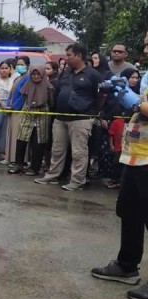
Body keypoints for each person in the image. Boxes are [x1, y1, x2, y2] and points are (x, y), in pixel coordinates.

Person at [90, 59, 148, 299]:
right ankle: (126, 265)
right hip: (137, 154)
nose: (146, 49)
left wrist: (133, 100)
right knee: (129, 210)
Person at [35, 43, 103, 191]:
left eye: (69, 55)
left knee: (79, 152)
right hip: (60, 118)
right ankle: (52, 175)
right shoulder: (66, 73)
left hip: (81, 119)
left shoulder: (93, 75)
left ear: (79, 56)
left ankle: (77, 180)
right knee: (57, 149)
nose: (66, 58)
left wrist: (94, 113)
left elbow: (100, 96)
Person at [9, 65, 51, 176]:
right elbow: (22, 98)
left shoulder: (48, 86)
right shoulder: (27, 84)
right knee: (21, 139)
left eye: (38, 74)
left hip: (42, 114)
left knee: (38, 140)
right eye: (33, 74)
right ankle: (19, 165)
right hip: (27, 112)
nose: (36, 76)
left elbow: (52, 101)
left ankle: (35, 167)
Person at [4, 56, 30, 165]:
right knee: (12, 133)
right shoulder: (17, 77)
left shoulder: (27, 78)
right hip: (12, 109)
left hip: (19, 110)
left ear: (27, 66)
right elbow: (12, 93)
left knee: (17, 134)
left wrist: (14, 107)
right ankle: (11, 157)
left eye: (22, 64)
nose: (19, 66)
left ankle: (18, 159)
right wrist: (7, 105)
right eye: (18, 64)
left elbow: (23, 95)